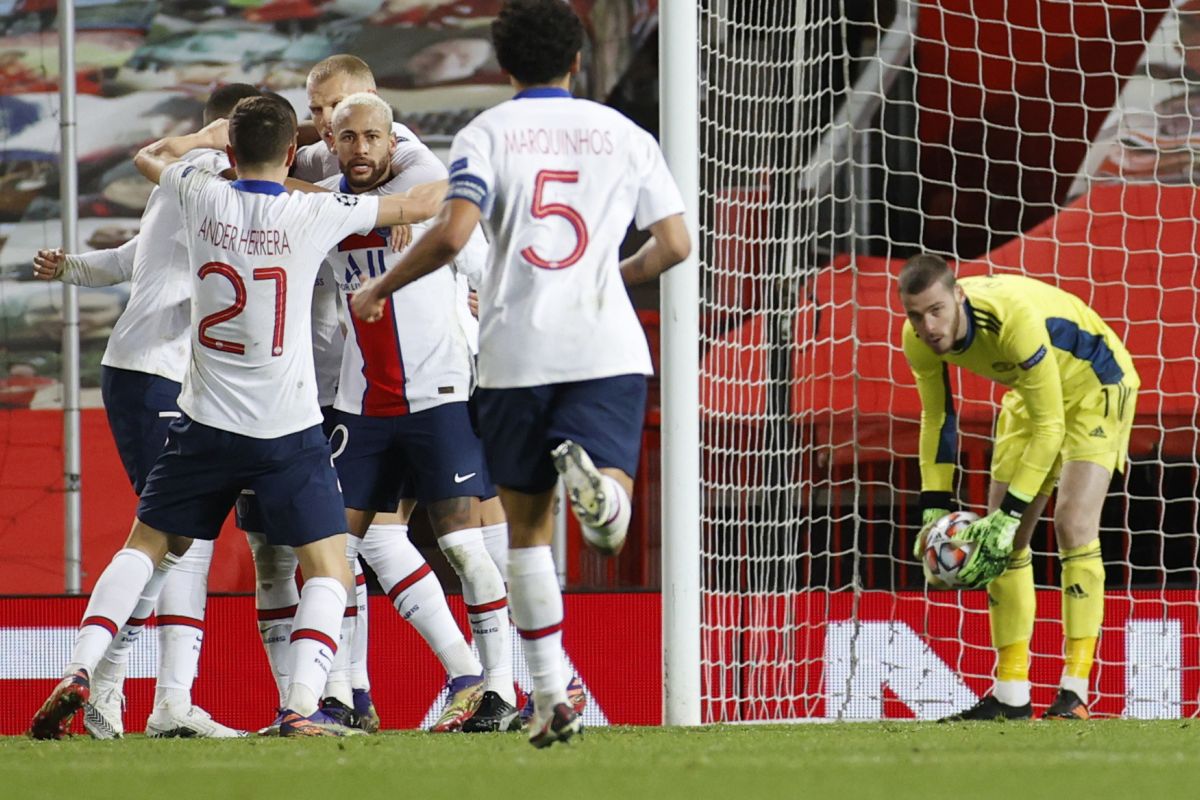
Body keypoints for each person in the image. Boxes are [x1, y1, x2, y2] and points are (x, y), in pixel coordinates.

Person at [27, 96, 445, 740]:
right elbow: (420, 204)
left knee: (147, 545)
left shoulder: (198, 193)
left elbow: (150, 156)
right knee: (331, 567)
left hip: (203, 422)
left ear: (227, 153)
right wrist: (403, 142)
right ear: (289, 153)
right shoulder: (315, 211)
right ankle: (301, 706)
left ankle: (80, 669)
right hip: (287, 430)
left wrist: (201, 137)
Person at [351, 0, 691, 747]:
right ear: (576, 60)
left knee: (527, 535)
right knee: (606, 519)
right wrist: (610, 273)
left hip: (516, 355)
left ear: (504, 65)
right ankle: (604, 497)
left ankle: (546, 696)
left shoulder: (486, 134)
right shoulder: (624, 134)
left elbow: (456, 232)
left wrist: (380, 285)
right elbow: (674, 243)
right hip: (607, 346)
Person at [30, 83, 261, 740]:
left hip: (160, 377)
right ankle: (129, 690)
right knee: (170, 537)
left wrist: (71, 267)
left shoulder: (184, 182)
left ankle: (128, 690)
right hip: (156, 374)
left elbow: (136, 261)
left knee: (176, 539)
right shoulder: (211, 183)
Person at [320, 92, 515, 732]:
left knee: (461, 544)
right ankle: (344, 697)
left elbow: (485, 267)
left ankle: (500, 690)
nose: (360, 150)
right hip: (362, 407)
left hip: (438, 397)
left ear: (392, 137)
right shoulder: (327, 208)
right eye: (347, 138)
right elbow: (282, 189)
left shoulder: (431, 192)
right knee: (338, 552)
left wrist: (482, 311)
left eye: (372, 137)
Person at [899, 254, 1140, 721]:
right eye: (915, 314)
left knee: (1071, 522)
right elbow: (937, 417)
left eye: (936, 311)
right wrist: (934, 506)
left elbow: (1053, 428)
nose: (927, 326)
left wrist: (1009, 514)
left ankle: (1075, 692)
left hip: (1095, 380)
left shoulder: (1012, 320)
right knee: (1002, 543)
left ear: (958, 296)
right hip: (1032, 394)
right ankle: (1011, 693)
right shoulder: (917, 341)